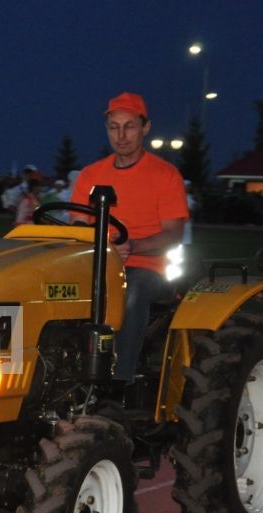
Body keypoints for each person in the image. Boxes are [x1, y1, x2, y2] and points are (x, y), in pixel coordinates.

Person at [69, 92, 188, 386]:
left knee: (131, 292)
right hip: (99, 263)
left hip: (146, 267)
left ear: (145, 128)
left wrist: (132, 246)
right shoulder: (90, 175)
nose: (121, 136)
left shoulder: (165, 175)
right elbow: (78, 226)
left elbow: (174, 234)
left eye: (129, 126)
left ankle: (119, 382)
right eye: (114, 127)